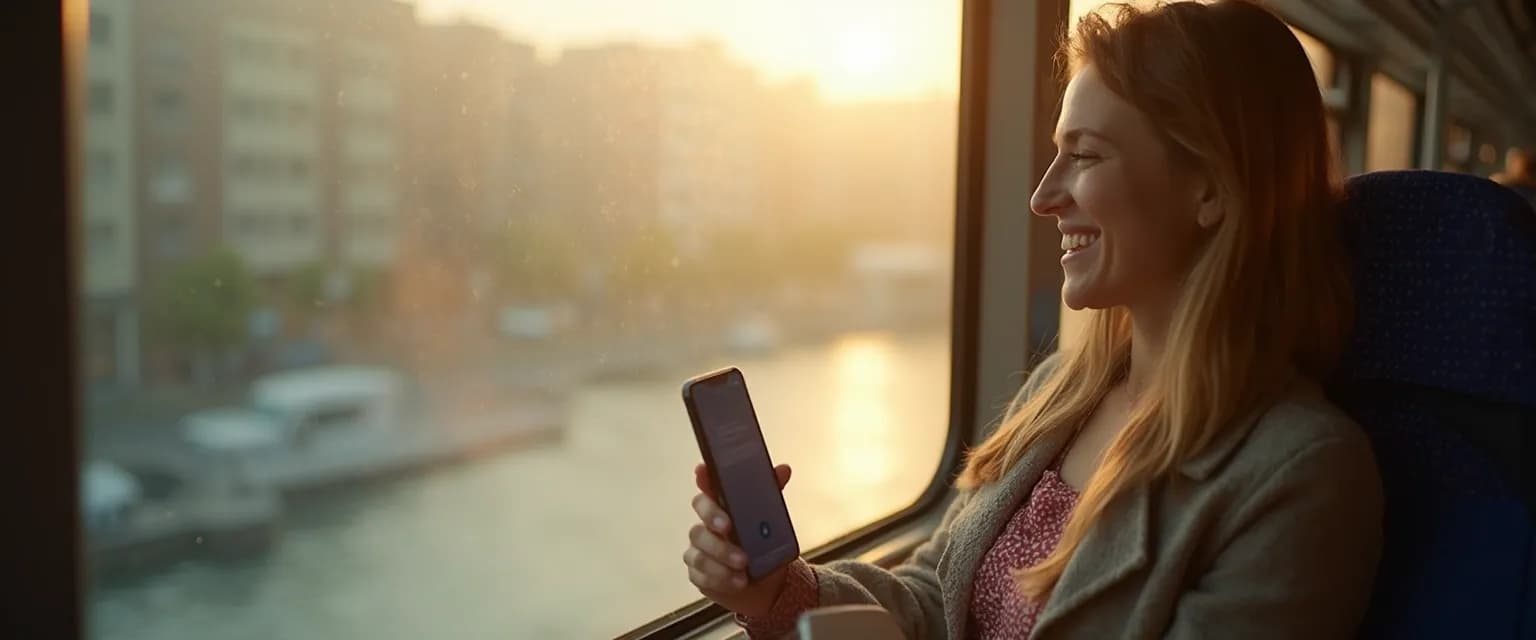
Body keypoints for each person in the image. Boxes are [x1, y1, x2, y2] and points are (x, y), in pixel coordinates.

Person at [681, 2, 1383, 638]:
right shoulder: (1061, 394)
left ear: (1209, 188)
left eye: (1084, 156)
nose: (1043, 196)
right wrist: (778, 591)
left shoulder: (1303, 477)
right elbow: (934, 599)